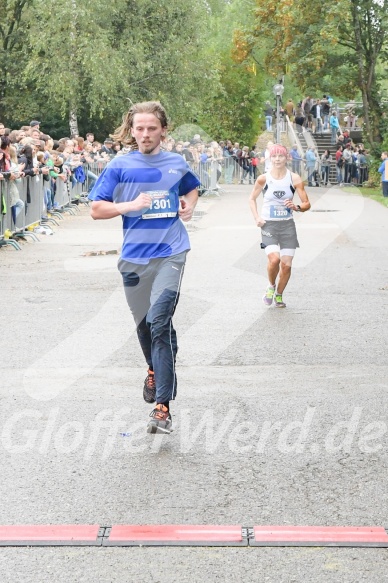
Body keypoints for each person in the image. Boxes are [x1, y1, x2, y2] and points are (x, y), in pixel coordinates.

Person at [89, 101, 200, 434]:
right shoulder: (120, 166)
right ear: (132, 130)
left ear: (163, 129)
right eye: (140, 128)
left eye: (152, 128)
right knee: (144, 325)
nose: (146, 134)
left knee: (159, 321)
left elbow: (193, 188)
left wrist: (189, 206)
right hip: (135, 258)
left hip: (171, 251)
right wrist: (131, 205)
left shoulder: (176, 162)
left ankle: (162, 407)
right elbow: (96, 209)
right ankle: (153, 368)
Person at [249, 144, 311, 308]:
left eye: (281, 156)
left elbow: (306, 204)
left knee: (287, 265)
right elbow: (251, 199)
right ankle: (271, 285)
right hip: (268, 225)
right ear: (270, 158)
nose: (277, 159)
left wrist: (296, 207)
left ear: (287, 158)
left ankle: (279, 295)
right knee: (275, 259)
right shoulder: (263, 178)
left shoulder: (294, 178)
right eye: (274, 156)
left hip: (287, 226)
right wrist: (257, 218)